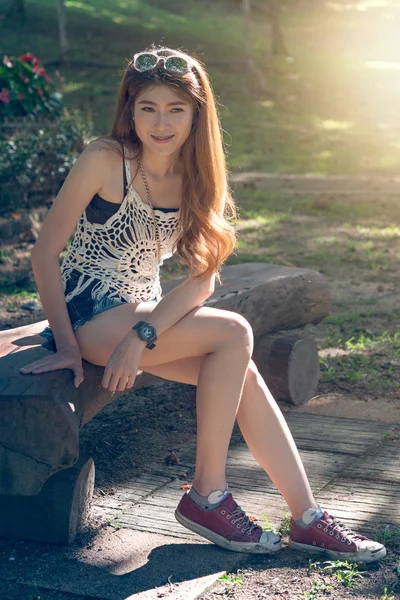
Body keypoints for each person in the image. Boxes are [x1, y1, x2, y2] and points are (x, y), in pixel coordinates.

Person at [19, 46, 386, 563]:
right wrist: (70, 349)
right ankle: (206, 495)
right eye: (148, 108)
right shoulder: (106, 160)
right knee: (234, 333)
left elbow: (202, 280)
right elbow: (43, 255)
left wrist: (138, 338)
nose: (161, 122)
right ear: (130, 109)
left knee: (244, 375)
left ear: (197, 112)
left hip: (138, 315)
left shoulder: (197, 173)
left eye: (176, 109)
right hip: (85, 312)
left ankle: (308, 518)